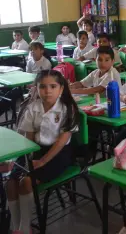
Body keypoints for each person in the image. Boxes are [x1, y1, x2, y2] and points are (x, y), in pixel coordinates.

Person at [5, 70, 79, 234]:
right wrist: (27, 159)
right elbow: (29, 137)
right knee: (10, 183)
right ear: (36, 88)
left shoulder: (68, 108)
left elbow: (61, 142)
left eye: (53, 86)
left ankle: (25, 227)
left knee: (26, 182)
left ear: (61, 88)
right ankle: (14, 226)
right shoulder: (33, 107)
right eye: (43, 87)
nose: (48, 91)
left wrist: (42, 161)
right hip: (35, 150)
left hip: (59, 153)